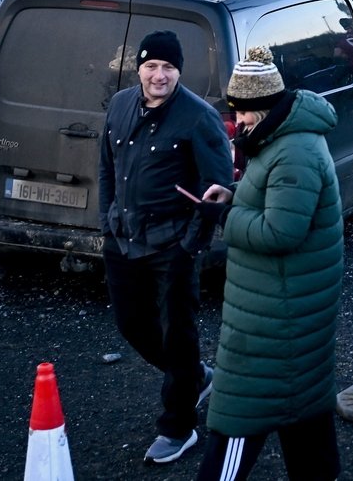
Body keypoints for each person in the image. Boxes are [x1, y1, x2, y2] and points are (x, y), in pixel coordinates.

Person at [191, 47, 344, 481]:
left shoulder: (294, 153)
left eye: (242, 112)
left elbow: (281, 232)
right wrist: (235, 195)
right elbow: (276, 203)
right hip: (284, 309)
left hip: (276, 320)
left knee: (241, 414)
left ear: (265, 107)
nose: (237, 121)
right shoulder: (282, 140)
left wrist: (224, 217)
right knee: (304, 410)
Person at [98, 30, 233, 465]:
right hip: (123, 240)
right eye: (152, 66)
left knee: (177, 335)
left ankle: (179, 428)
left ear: (179, 71)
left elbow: (218, 188)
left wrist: (190, 245)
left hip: (171, 246)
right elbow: (106, 168)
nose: (159, 75)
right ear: (138, 68)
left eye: (169, 68)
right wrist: (107, 223)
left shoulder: (198, 117)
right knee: (132, 326)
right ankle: (195, 377)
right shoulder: (120, 105)